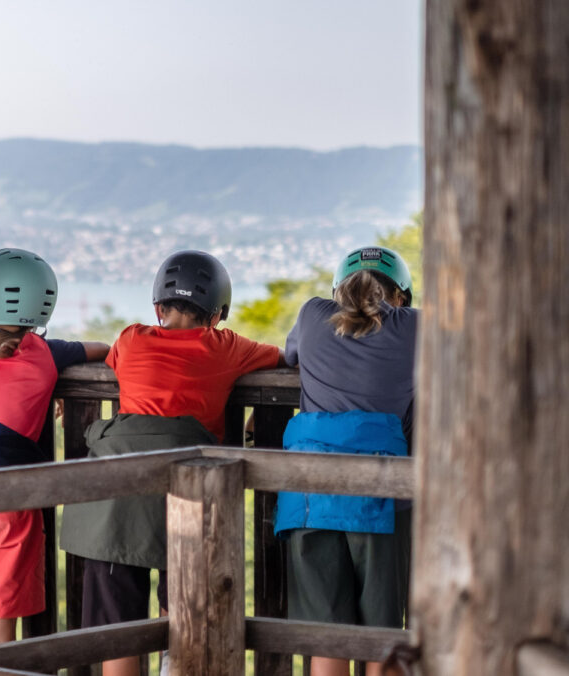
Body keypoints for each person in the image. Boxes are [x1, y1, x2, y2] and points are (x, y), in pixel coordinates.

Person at [60, 250, 283, 676]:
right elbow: (286, 357)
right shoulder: (228, 347)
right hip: (188, 497)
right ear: (218, 315)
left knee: (116, 627)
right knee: (184, 615)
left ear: (158, 308)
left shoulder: (130, 339)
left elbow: (117, 364)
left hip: (116, 495)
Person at [0, 249, 109, 651]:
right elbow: (101, 347)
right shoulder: (49, 355)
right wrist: (53, 389)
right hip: (15, 501)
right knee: (0, 628)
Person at [274, 246, 417, 676]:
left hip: (308, 495)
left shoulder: (312, 315)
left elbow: (289, 358)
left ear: (338, 289)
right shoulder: (416, 327)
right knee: (383, 641)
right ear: (401, 296)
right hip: (380, 498)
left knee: (327, 637)